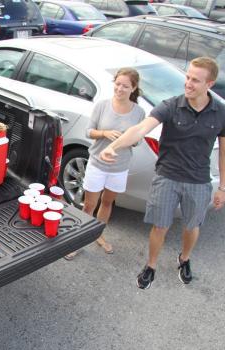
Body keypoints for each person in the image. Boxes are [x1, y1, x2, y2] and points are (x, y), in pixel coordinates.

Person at [100, 57, 225, 289]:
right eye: (187, 77)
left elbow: (223, 152)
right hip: (166, 176)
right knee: (160, 226)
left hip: (198, 180)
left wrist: (222, 187)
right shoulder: (171, 105)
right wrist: (113, 146)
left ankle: (184, 259)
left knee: (192, 225)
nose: (188, 83)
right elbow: (140, 128)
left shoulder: (220, 112)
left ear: (209, 84)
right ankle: (151, 265)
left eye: (195, 80)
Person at [65, 68, 145, 260]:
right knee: (88, 205)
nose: (120, 89)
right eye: (117, 84)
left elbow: (139, 140)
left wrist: (129, 139)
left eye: (125, 86)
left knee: (108, 202)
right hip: (98, 163)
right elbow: (88, 131)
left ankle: (98, 235)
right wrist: (105, 133)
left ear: (133, 88)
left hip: (120, 167)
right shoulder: (102, 105)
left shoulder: (139, 112)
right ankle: (78, 240)